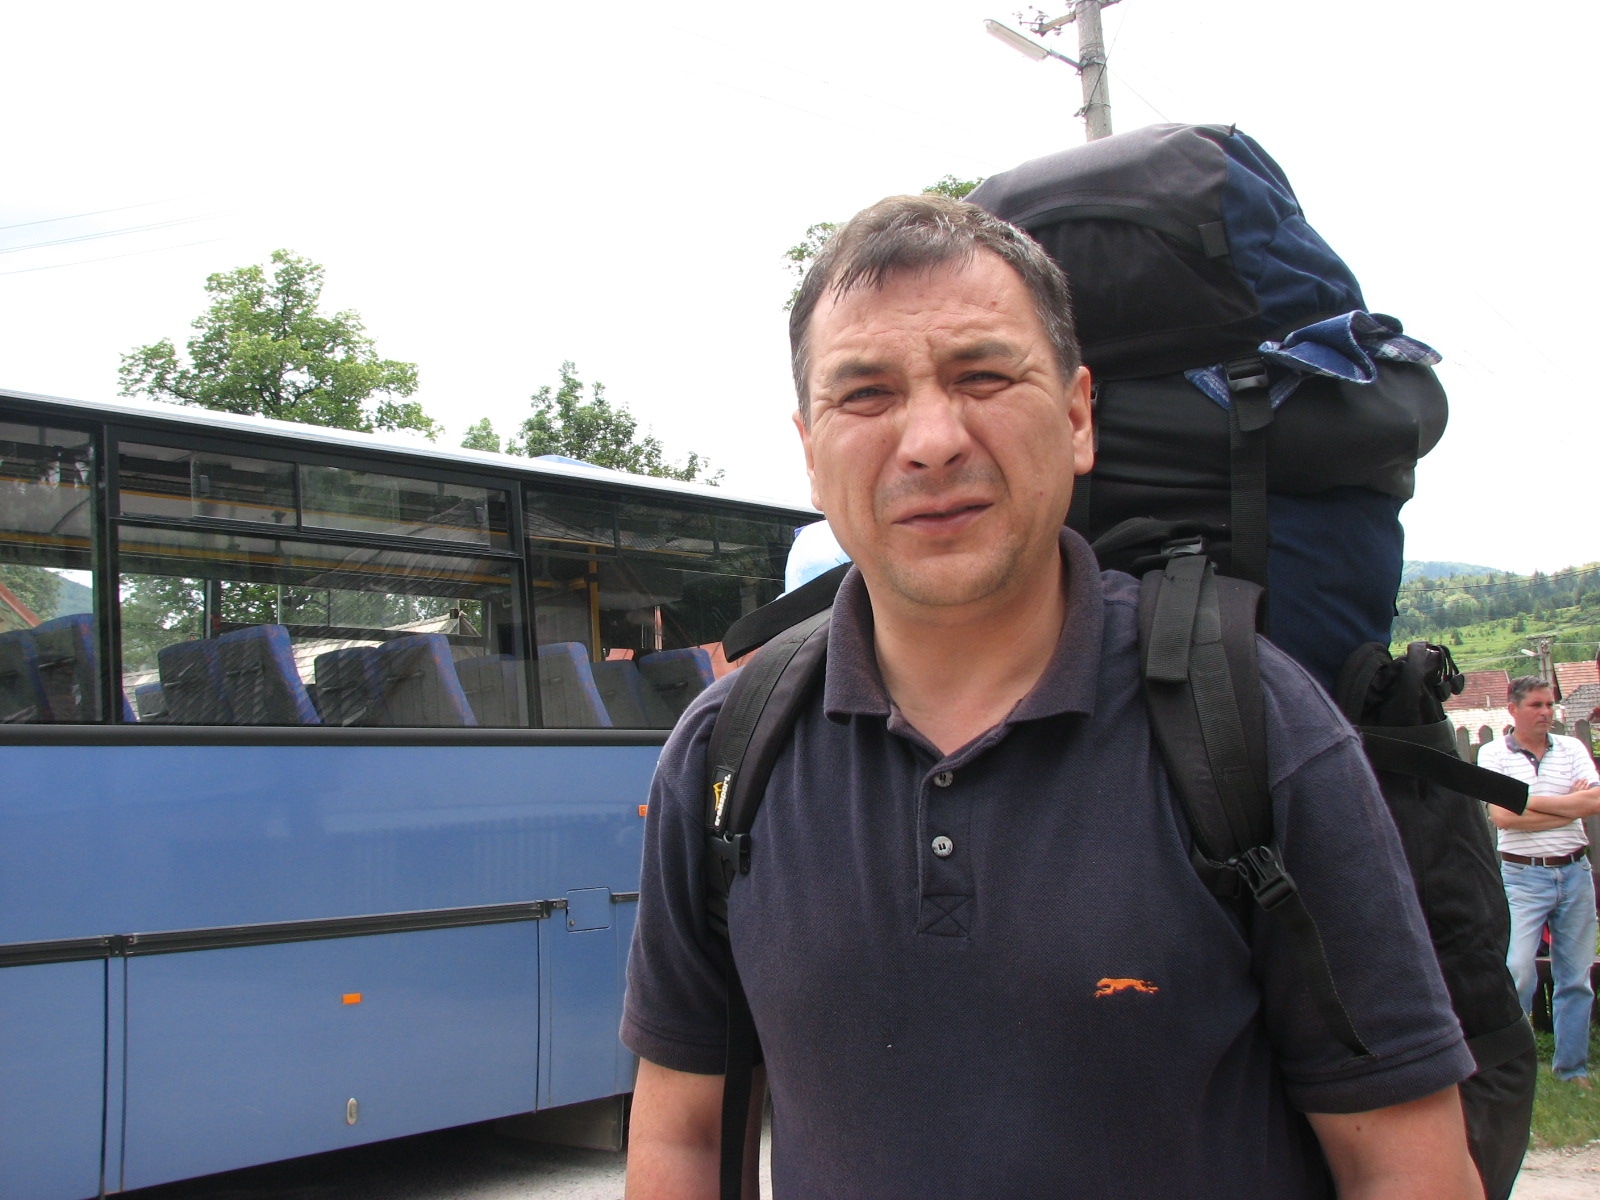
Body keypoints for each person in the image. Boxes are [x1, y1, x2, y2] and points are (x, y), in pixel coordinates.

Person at [621, 195, 1480, 1198]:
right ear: (812, 452)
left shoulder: (1254, 727)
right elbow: (681, 1136)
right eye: (865, 394)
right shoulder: (727, 752)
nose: (931, 440)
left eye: (983, 376)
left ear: (1077, 417)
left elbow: (1405, 1168)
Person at [1481, 675, 1600, 1088]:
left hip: (1575, 872)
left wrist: (1526, 802)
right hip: (1522, 876)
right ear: (1513, 709)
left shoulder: (1572, 748)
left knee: (1576, 978)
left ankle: (1572, 1069)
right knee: (1517, 971)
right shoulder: (1493, 754)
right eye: (1536, 705)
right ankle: (1513, 1068)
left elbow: (1595, 800)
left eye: (1549, 704)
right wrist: (1569, 806)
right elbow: (1502, 817)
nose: (1546, 712)